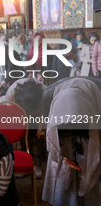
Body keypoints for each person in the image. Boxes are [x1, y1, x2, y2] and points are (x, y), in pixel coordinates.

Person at [42, 77, 101, 205]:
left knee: (90, 163)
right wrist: (65, 156)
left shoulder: (95, 99)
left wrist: (86, 157)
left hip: (89, 126)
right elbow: (54, 138)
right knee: (63, 168)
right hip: (61, 129)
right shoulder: (50, 96)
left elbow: (91, 139)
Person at [4, 78, 47, 178]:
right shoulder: (12, 93)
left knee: (36, 136)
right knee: (21, 135)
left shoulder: (44, 93)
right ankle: (22, 160)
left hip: (38, 113)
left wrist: (40, 128)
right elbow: (11, 113)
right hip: (18, 112)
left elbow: (43, 113)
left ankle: (36, 163)